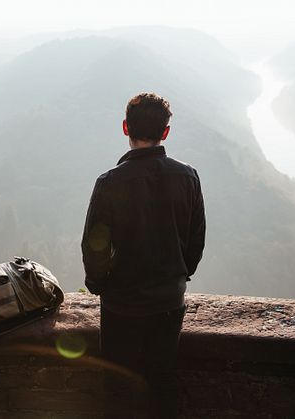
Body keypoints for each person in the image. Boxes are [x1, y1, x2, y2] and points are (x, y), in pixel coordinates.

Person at [81, 92, 206, 418]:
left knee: (118, 387)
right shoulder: (188, 177)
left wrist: (99, 284)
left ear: (126, 128)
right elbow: (196, 241)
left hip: (121, 304)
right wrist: (179, 276)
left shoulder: (109, 183)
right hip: (168, 302)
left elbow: (94, 248)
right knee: (162, 382)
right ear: (165, 132)